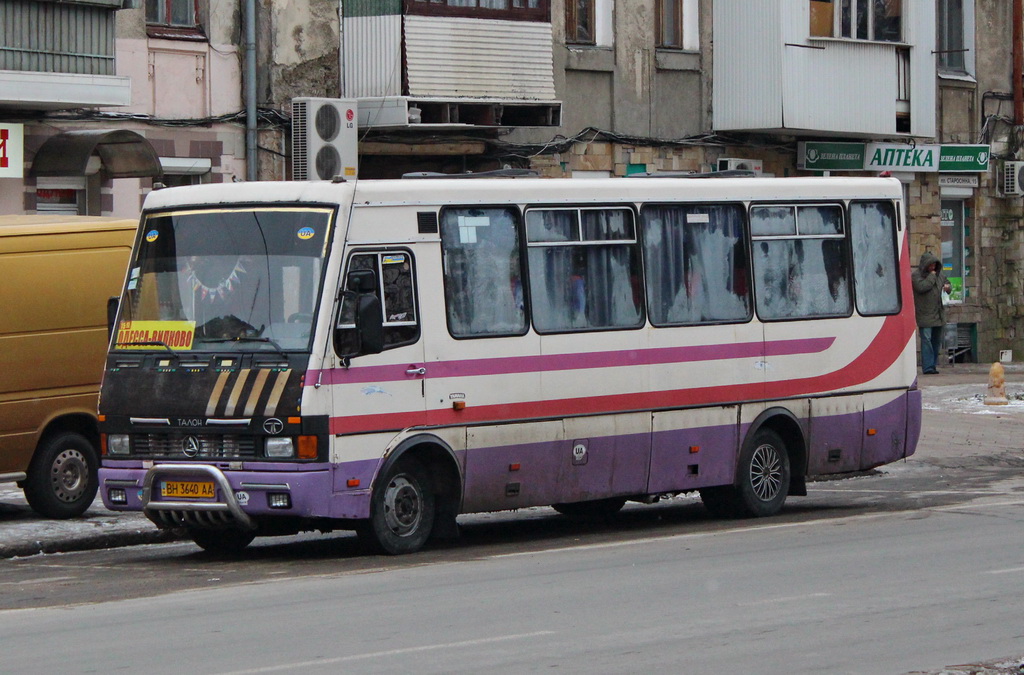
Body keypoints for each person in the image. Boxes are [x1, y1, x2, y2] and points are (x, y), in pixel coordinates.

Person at [911, 251, 951, 374]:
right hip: (925, 314)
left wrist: (948, 287)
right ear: (925, 265)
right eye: (930, 265)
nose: (933, 268)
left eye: (934, 265)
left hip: (938, 314)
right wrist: (932, 276)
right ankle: (927, 367)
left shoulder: (940, 275)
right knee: (926, 340)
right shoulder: (916, 275)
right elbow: (922, 287)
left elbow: (947, 283)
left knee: (936, 341)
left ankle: (933, 365)